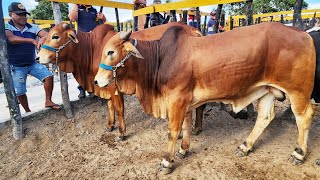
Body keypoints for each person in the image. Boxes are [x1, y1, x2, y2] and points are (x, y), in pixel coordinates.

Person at [5, 2, 61, 112]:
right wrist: (31, 40)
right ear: (11, 14)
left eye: (25, 14)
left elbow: (47, 35)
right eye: (20, 14)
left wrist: (42, 38)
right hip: (16, 66)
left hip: (31, 63)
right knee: (20, 91)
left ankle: (48, 101)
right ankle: (28, 111)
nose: (23, 17)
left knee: (48, 76)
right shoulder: (7, 26)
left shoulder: (33, 27)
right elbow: (10, 38)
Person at [69, 4, 106, 98]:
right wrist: (76, 4)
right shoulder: (77, 8)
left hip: (93, 43)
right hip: (82, 43)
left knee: (93, 65)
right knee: (82, 66)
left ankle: (93, 89)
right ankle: (82, 87)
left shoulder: (94, 10)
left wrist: (103, 18)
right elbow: (72, 18)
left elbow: (101, 24)